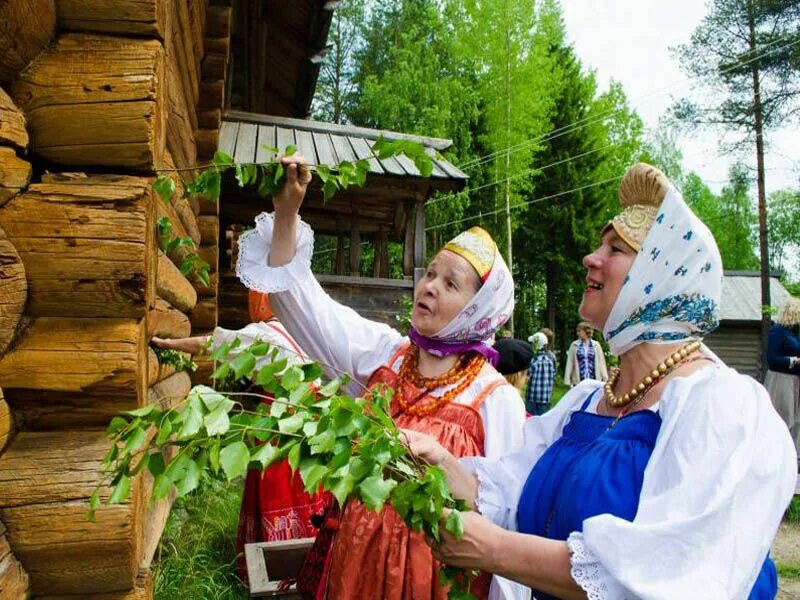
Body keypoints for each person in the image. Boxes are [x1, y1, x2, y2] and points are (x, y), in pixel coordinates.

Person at [403, 163, 795, 599]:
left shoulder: (722, 405)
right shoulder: (586, 402)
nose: (591, 257)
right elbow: (511, 492)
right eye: (599, 245)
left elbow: (666, 576)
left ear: (660, 276)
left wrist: (494, 549)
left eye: (616, 249)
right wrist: (440, 461)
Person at [235, 155, 527, 599]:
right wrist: (288, 213)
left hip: (434, 584)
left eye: (451, 284)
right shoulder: (385, 355)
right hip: (355, 567)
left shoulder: (494, 399)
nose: (429, 286)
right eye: (430, 273)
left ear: (478, 309)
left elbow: (507, 519)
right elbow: (303, 307)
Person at [152, 290, 328, 579]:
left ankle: (274, 569)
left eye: (252, 298)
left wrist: (168, 343)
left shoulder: (263, 334)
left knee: (276, 488)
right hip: (309, 427)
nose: (249, 305)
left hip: (278, 425)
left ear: (263, 302)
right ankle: (312, 564)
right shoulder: (300, 332)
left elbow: (210, 344)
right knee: (305, 486)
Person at [765, 297, 800, 455]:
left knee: (796, 420)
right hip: (781, 379)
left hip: (796, 380)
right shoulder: (778, 331)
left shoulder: (795, 333)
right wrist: (793, 361)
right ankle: (776, 454)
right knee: (782, 417)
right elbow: (770, 358)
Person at [564, 322, 608, 386]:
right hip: (579, 380)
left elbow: (601, 362)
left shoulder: (596, 345)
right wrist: (567, 380)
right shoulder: (574, 345)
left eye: (579, 331)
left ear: (586, 331)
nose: (577, 333)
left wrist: (604, 377)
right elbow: (570, 362)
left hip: (594, 379)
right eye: (577, 331)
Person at [525, 332, 556, 416]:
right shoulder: (549, 360)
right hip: (545, 398)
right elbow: (553, 377)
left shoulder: (533, 360)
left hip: (532, 397)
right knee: (542, 421)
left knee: (529, 420)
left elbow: (528, 377)